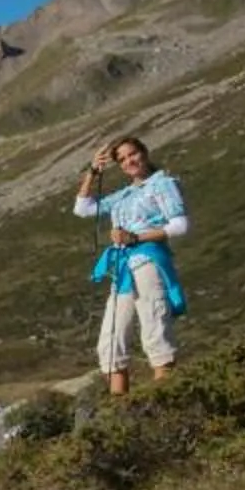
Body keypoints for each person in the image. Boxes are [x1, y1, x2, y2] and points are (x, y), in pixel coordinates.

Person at [75, 134, 189, 395]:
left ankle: (166, 402)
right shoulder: (124, 194)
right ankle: (120, 414)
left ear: (144, 153)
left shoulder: (162, 184)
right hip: (124, 269)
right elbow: (83, 208)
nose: (129, 161)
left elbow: (179, 225)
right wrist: (93, 171)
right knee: (112, 340)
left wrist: (135, 237)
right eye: (122, 159)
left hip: (148, 261)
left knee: (155, 330)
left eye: (132, 154)